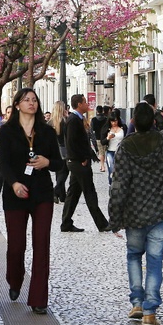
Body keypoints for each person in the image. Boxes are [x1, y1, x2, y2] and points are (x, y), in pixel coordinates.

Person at [108, 102, 163, 325]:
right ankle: (150, 311)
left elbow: (118, 184)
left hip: (135, 212)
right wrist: (157, 118)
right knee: (156, 261)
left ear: (134, 122)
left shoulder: (126, 147)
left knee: (134, 256)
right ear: (154, 122)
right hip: (159, 211)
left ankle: (137, 301)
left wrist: (115, 216)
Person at [0, 89, 62, 312]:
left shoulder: (47, 131)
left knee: (41, 244)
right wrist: (14, 183)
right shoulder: (7, 131)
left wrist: (47, 162)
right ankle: (15, 280)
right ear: (17, 105)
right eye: (27, 100)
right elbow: (3, 163)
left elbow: (59, 163)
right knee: (16, 246)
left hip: (42, 192)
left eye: (34, 100)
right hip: (16, 193)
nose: (31, 103)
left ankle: (39, 299)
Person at [61, 94, 111, 233]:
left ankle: (66, 223)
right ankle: (102, 224)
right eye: (84, 102)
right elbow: (72, 142)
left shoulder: (77, 118)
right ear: (78, 104)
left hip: (77, 161)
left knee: (73, 194)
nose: (87, 103)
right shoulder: (73, 120)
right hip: (78, 162)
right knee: (89, 192)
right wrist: (82, 158)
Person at [49, 101, 69, 204]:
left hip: (54, 149)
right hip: (64, 149)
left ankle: (62, 195)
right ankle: (56, 191)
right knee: (64, 172)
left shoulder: (50, 122)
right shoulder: (64, 121)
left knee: (59, 172)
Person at [100, 111, 125, 186]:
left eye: (116, 121)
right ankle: (111, 186)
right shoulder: (107, 129)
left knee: (121, 171)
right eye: (112, 121)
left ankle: (120, 186)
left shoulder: (123, 128)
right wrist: (108, 138)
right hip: (110, 152)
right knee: (111, 170)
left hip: (121, 152)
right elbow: (102, 142)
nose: (114, 123)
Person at [91, 106, 108, 172]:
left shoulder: (94, 119)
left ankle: (102, 166)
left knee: (101, 152)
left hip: (97, 137)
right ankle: (102, 165)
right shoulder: (106, 119)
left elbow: (92, 130)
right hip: (105, 137)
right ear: (102, 111)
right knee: (103, 152)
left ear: (97, 111)